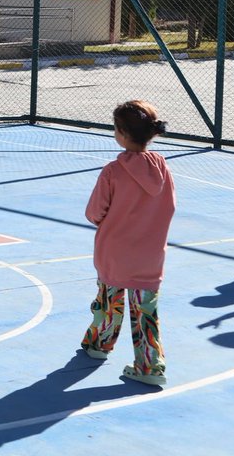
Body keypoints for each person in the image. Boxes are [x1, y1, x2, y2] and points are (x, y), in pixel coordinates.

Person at [80, 100, 176, 386]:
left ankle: (99, 344)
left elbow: (94, 212)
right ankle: (149, 366)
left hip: (114, 250)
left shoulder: (113, 171)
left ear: (120, 132)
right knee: (146, 311)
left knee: (109, 301)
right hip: (150, 253)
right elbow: (170, 206)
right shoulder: (162, 169)